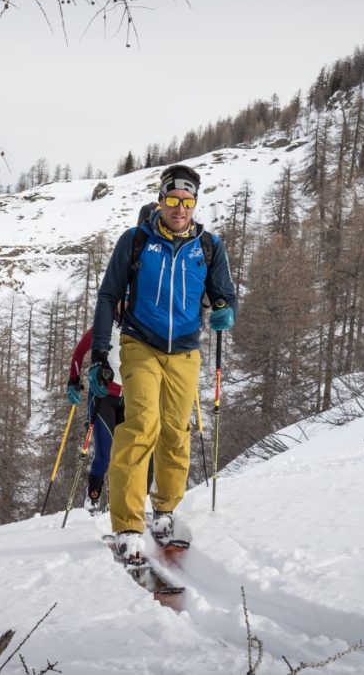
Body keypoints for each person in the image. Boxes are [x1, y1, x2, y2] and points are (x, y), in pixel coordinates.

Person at [88, 163, 238, 564]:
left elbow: (224, 294)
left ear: (194, 204)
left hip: (186, 351)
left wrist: (225, 310)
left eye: (187, 202)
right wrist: (99, 354)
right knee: (141, 424)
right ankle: (127, 526)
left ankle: (165, 512)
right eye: (173, 200)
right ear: (160, 200)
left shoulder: (208, 246)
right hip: (141, 344)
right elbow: (107, 297)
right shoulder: (136, 241)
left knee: (176, 430)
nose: (180, 208)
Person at [66, 303, 125, 514]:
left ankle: (127, 502)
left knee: (129, 454)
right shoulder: (104, 326)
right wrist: (74, 380)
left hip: (129, 398)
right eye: (121, 299)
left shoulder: (141, 325)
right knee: (104, 455)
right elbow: (80, 351)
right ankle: (92, 500)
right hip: (103, 397)